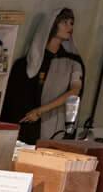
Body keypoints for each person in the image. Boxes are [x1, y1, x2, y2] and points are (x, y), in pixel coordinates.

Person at [5, 9, 83, 146]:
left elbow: (74, 92)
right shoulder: (24, 64)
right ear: (52, 24)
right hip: (25, 128)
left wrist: (40, 111)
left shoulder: (73, 62)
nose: (69, 27)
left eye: (71, 23)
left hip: (53, 126)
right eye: (64, 22)